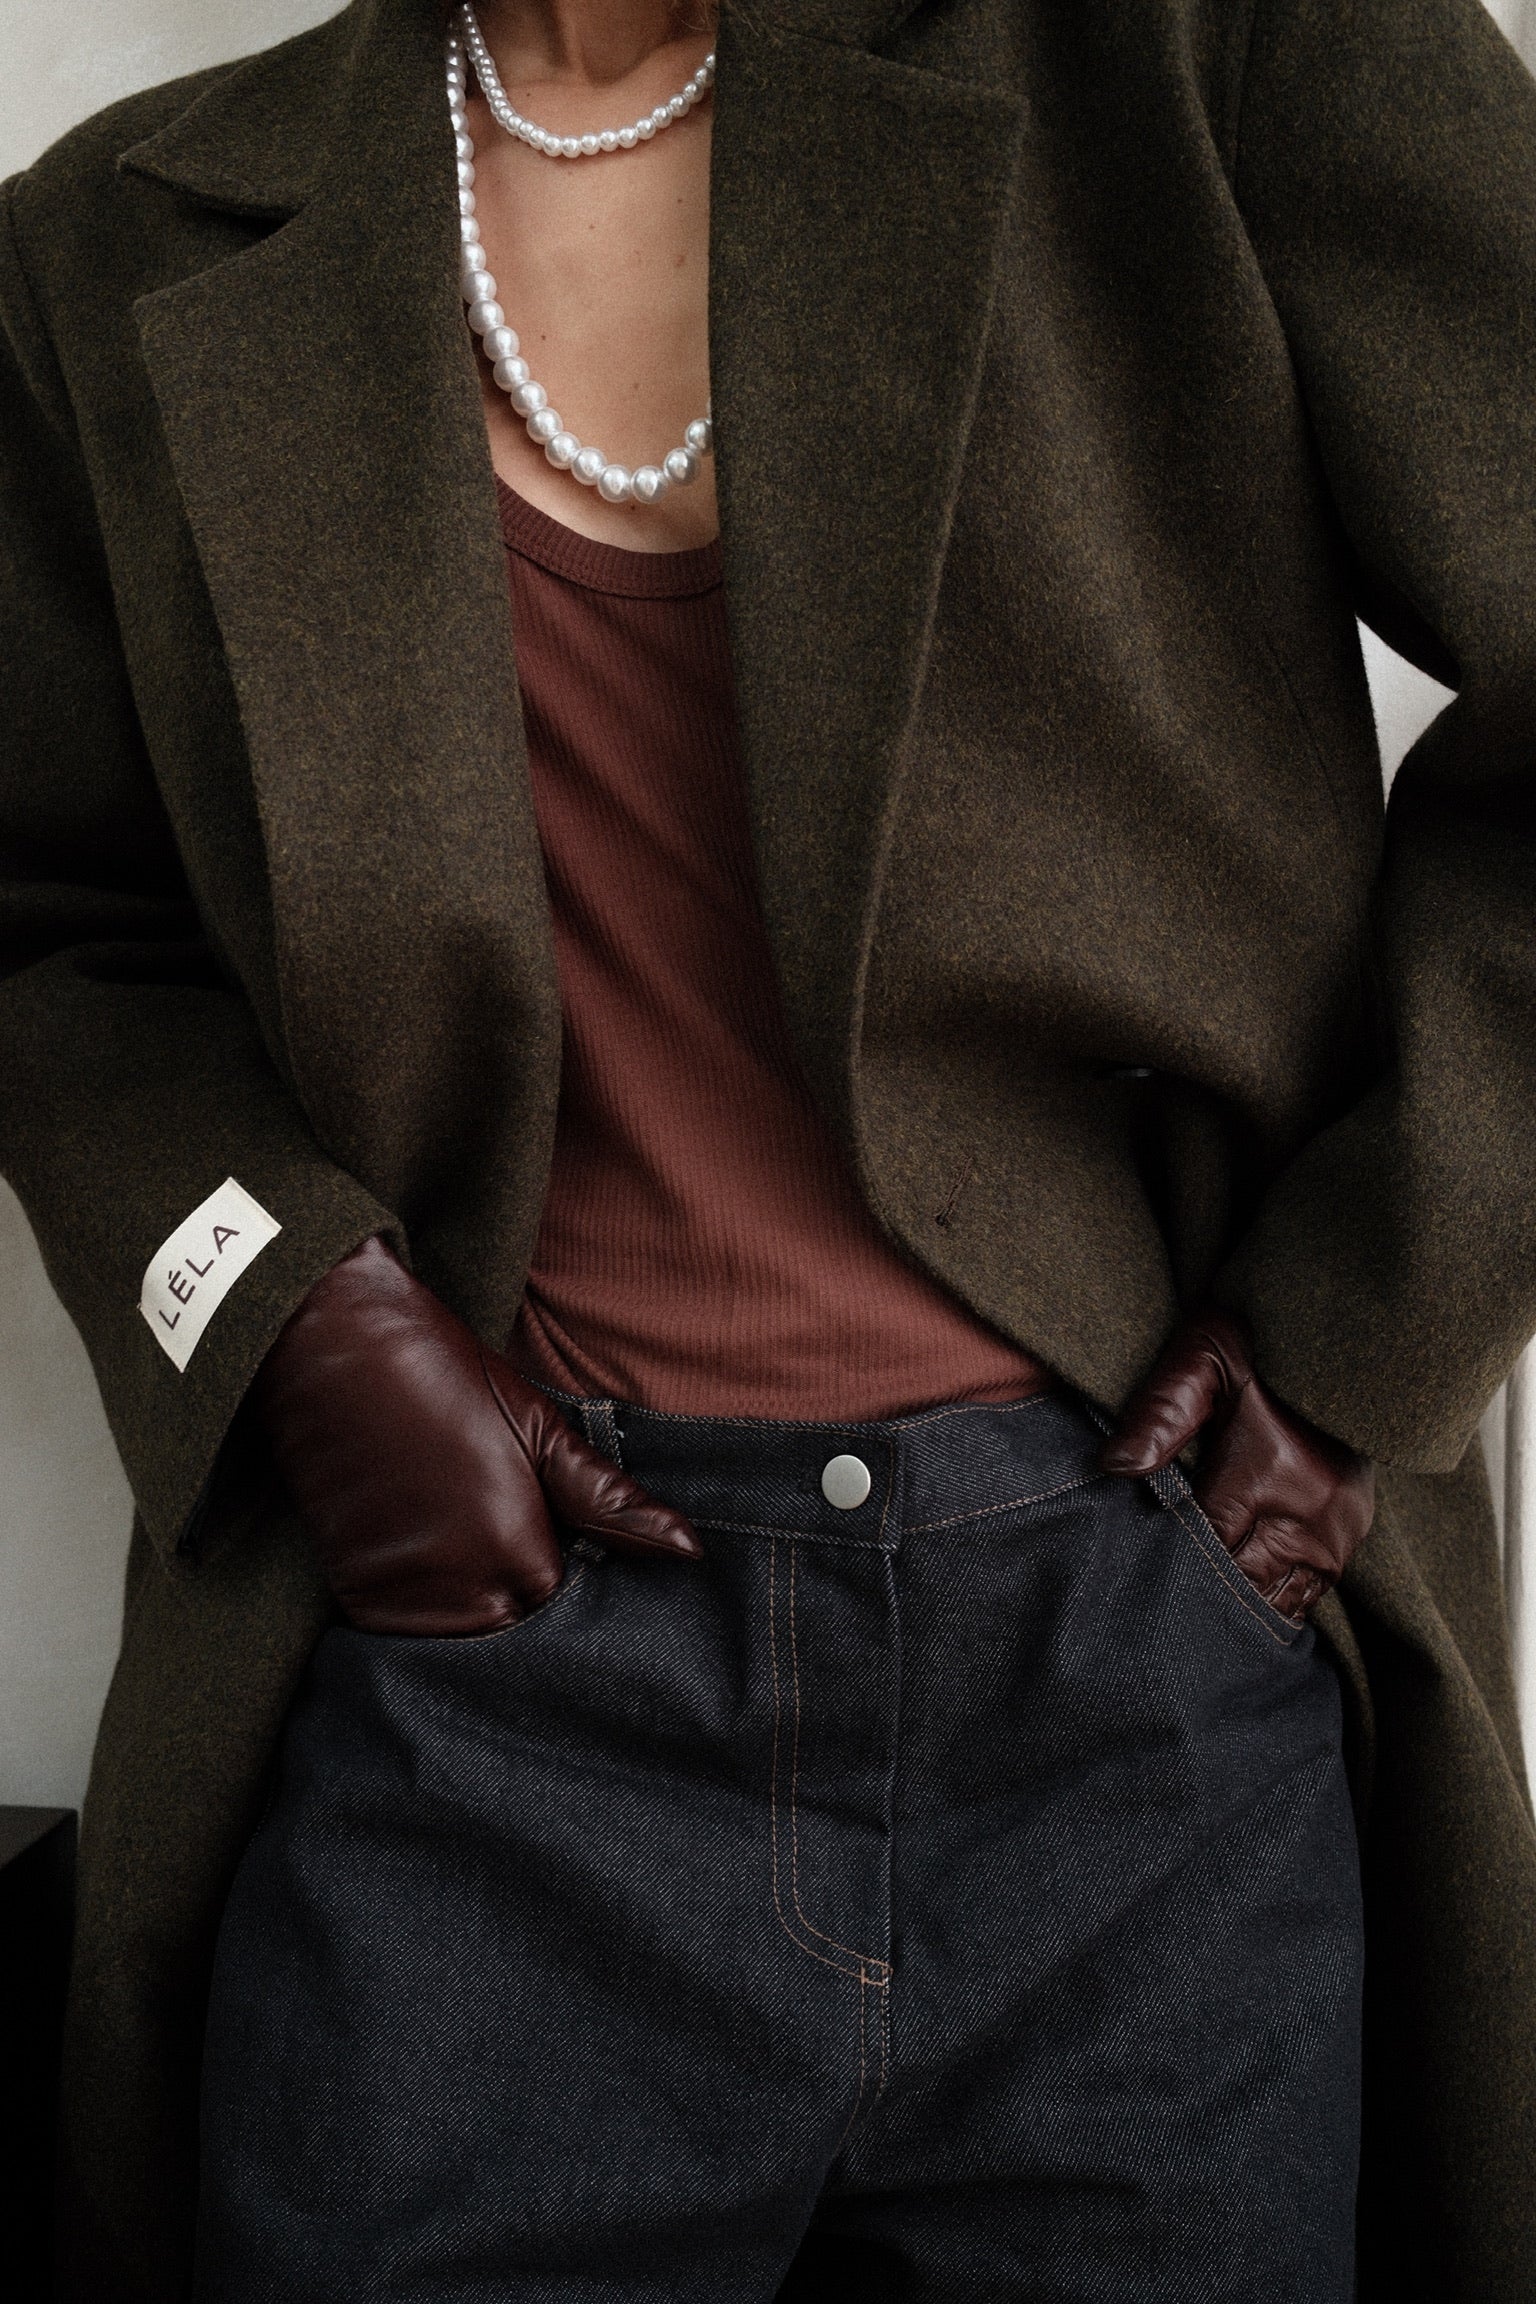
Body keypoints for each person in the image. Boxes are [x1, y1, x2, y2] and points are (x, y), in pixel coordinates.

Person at [1, 0, 1534, 2292]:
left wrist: (1363, 1332)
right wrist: (295, 1316)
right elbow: (52, 925)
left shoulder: (1215, 48)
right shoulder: (109, 249)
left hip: (1141, 1667)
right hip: (488, 1686)